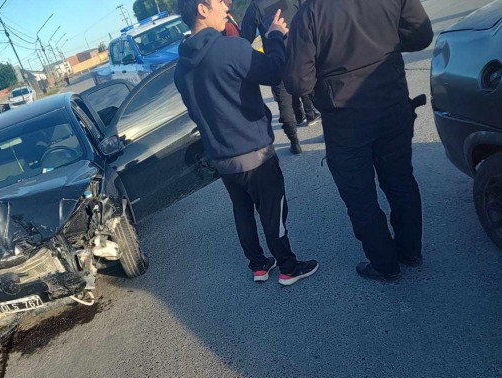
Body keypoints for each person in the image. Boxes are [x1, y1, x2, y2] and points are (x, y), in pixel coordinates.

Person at [284, 0, 433, 281]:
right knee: (401, 180)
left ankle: (384, 264)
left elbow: (298, 83)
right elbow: (421, 35)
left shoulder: (310, 13)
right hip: (392, 101)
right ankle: (410, 251)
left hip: (345, 117)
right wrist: (386, 49)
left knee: (360, 196)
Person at [175, 0, 318, 286]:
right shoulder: (230, 48)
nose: (227, 6)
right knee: (273, 209)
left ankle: (259, 264)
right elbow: (275, 70)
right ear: (202, 9)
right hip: (254, 152)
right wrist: (276, 35)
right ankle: (288, 267)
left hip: (221, 157)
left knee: (242, 210)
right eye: (219, 2)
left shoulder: (181, 68)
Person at [240, 0, 310, 154]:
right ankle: (311, 115)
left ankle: (295, 142)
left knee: (284, 104)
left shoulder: (255, 6)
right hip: (301, 55)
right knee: (307, 86)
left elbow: (245, 37)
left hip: (277, 58)